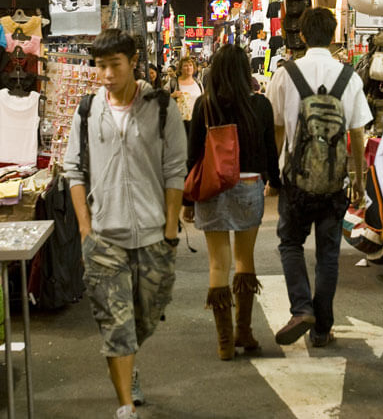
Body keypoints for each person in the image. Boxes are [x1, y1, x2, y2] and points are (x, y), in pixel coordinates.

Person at [64, 29, 187, 419]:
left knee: (145, 318)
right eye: (100, 66)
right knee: (116, 324)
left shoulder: (162, 107)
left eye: (114, 65)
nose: (106, 74)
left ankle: (129, 360)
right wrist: (86, 230)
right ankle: (126, 404)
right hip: (104, 238)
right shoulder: (86, 111)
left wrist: (170, 229)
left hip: (153, 236)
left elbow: (174, 171)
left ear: (132, 62)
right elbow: (74, 171)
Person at [266, 7, 372, 348]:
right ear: (333, 34)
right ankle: (322, 329)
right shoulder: (350, 77)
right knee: (328, 254)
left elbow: (278, 129)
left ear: (301, 36)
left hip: (295, 181)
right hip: (334, 181)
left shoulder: (285, 74)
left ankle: (301, 307)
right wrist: (358, 179)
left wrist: (274, 174)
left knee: (291, 244)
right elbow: (358, 133)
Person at [182, 44, 281, 360]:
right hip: (249, 186)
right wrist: (275, 183)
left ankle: (224, 343)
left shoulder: (205, 106)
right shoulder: (260, 105)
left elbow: (193, 155)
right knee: (244, 259)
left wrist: (187, 199)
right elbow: (270, 151)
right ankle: (245, 332)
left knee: (217, 263)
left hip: (212, 186)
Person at [166, 55, 203, 132]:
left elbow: (204, 100)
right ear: (180, 69)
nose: (189, 68)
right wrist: (172, 95)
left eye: (190, 65)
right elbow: (162, 97)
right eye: (185, 66)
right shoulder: (173, 82)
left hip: (197, 122)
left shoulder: (198, 82)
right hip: (179, 123)